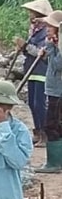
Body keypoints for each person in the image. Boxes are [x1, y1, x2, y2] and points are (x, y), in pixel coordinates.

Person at [16, 0, 53, 146]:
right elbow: (30, 52)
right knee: (31, 102)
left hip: (42, 72)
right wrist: (23, 48)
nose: (30, 15)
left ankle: (45, 133)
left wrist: (25, 46)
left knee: (39, 103)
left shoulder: (46, 32)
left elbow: (41, 54)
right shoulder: (34, 30)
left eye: (32, 13)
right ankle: (37, 131)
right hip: (31, 70)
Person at [40, 11, 62, 173]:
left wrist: (50, 48)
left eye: (50, 26)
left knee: (51, 125)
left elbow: (58, 66)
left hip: (57, 91)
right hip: (54, 89)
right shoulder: (55, 43)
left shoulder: (58, 45)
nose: (47, 28)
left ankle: (54, 163)